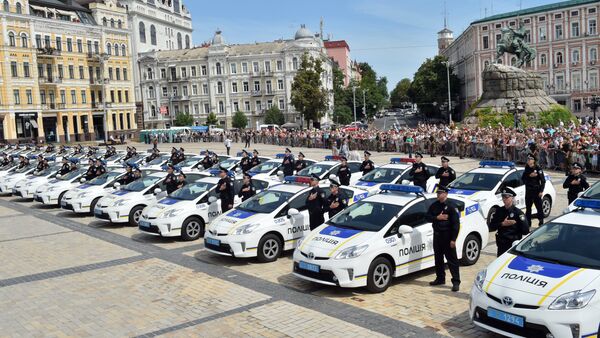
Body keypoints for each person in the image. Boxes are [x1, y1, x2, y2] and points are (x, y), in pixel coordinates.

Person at [426, 186, 461, 292]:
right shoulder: (434, 205)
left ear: (446, 194)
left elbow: (456, 224)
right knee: (438, 258)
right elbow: (427, 217)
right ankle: (440, 278)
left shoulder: (451, 206)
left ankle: (456, 281)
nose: (438, 195)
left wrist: (453, 239)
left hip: (447, 236)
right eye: (437, 193)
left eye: (440, 193)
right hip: (437, 236)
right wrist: (437, 218)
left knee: (452, 260)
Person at [489, 187, 529, 256]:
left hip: (513, 244)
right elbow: (491, 226)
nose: (504, 199)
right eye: (503, 197)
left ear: (512, 198)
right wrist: (502, 224)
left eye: (506, 197)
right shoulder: (499, 211)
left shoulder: (518, 213)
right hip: (501, 245)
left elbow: (526, 230)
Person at [521, 154, 546, 226]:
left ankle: (541, 221)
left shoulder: (538, 168)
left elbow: (543, 181)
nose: (528, 161)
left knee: (539, 208)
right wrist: (529, 176)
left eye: (530, 159)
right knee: (528, 208)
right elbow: (523, 179)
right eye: (528, 159)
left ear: (533, 160)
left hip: (536, 190)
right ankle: (528, 223)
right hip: (528, 191)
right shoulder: (526, 168)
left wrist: (541, 191)